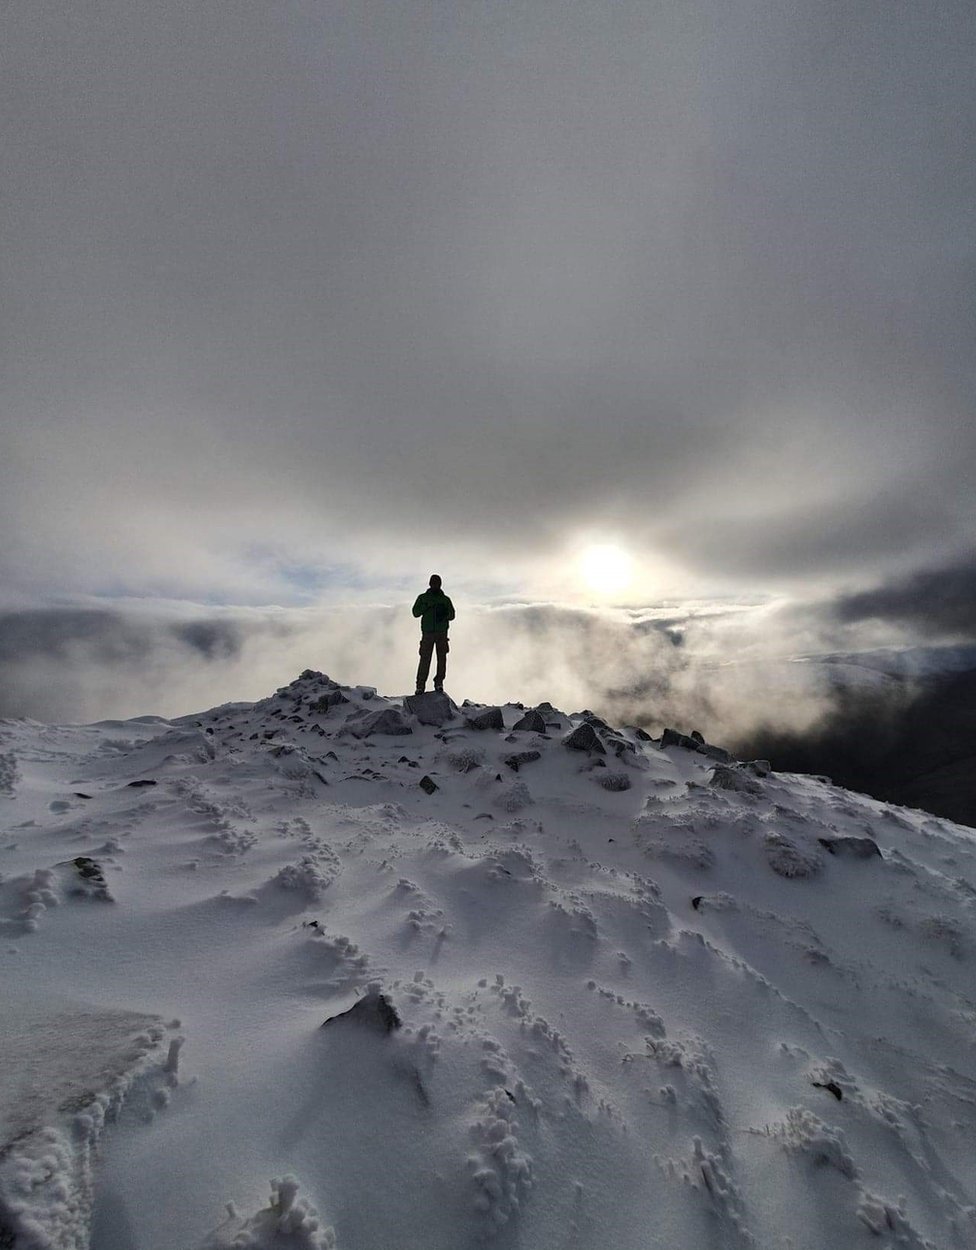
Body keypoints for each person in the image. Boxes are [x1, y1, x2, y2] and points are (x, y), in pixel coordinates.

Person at [412, 574, 455, 694]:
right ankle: (420, 686)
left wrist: (444, 613)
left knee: (441, 659)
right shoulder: (423, 598)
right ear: (430, 584)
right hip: (428, 633)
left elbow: (452, 615)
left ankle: (439, 683)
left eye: (437, 583)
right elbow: (415, 612)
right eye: (434, 583)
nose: (435, 585)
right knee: (425, 660)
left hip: (441, 633)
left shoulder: (445, 600)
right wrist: (426, 606)